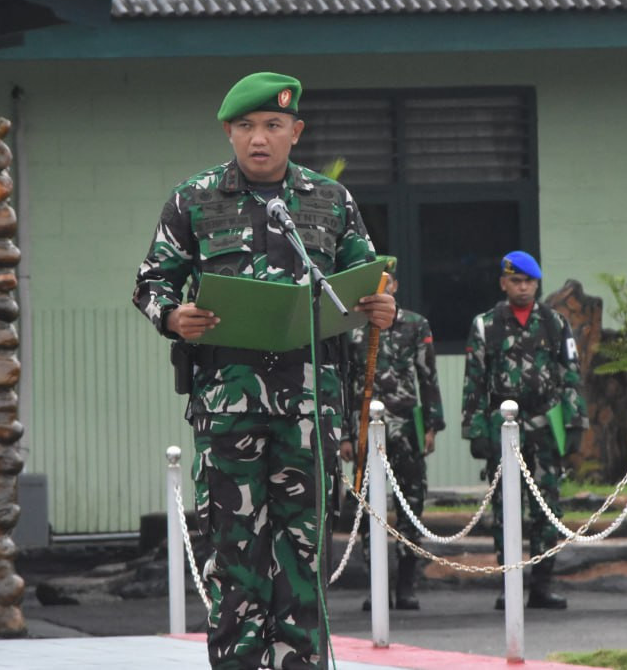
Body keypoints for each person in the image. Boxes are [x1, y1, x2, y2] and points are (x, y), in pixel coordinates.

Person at [132, 71, 395, 670]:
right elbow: (150, 283)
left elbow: (368, 277)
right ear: (229, 132)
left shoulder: (331, 202)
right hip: (229, 410)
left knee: (303, 551)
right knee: (235, 553)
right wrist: (175, 318)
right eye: (246, 126)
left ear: (295, 132)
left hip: (309, 408)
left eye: (273, 126)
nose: (259, 139)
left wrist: (384, 303)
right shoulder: (193, 199)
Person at [460, 250, 587, 610]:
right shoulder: (486, 324)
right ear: (504, 283)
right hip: (504, 429)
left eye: (529, 281)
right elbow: (475, 382)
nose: (523, 287)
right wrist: (476, 430)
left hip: (546, 427)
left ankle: (542, 585)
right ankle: (509, 583)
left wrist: (576, 421)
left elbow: (570, 376)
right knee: (505, 509)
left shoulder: (554, 323)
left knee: (548, 508)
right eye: (516, 281)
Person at [340, 270, 445, 612]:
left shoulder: (416, 325)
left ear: (396, 286)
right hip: (363, 429)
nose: (380, 289)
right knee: (368, 509)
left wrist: (431, 426)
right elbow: (342, 383)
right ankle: (377, 586)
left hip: (406, 428)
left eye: (387, 282)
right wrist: (343, 433)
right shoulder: (351, 328)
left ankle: (406, 585)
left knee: (411, 506)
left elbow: (427, 377)